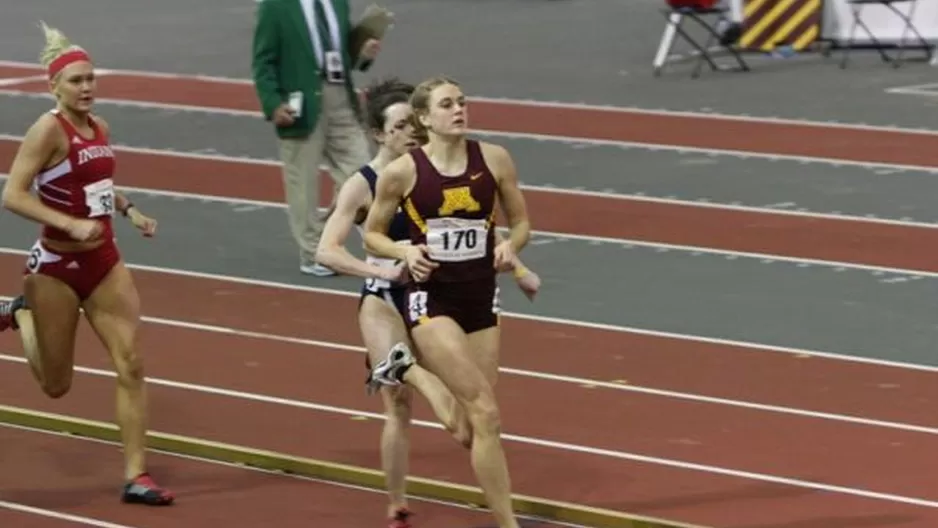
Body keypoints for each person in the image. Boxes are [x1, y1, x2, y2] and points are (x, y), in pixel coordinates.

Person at [314, 78, 540, 528]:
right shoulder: (373, 181)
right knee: (409, 403)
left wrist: (515, 263)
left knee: (468, 424)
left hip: (468, 291)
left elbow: (489, 228)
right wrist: (387, 265)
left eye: (462, 102)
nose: (408, 135)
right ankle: (405, 495)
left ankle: (399, 367)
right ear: (382, 133)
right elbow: (330, 249)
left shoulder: (482, 161)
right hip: (397, 289)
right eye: (398, 126)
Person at [0, 22, 173, 507]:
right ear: (54, 86)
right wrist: (68, 225)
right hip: (55, 266)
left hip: (104, 262)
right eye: (76, 80)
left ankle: (137, 475)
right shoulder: (46, 130)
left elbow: (95, 184)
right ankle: (20, 314)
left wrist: (130, 209)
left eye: (91, 78)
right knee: (56, 386)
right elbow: (12, 194)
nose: (87, 88)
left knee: (132, 363)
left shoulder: (100, 128)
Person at [251, 0, 384, 278]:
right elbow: (263, 60)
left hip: (339, 97)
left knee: (364, 173)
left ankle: (350, 236)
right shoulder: (275, 7)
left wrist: (364, 54)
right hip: (300, 104)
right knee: (303, 183)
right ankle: (313, 253)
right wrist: (272, 102)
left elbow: (345, 52)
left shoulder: (337, 3)